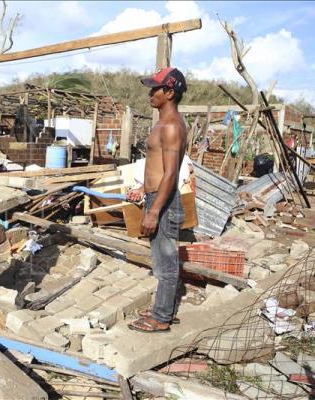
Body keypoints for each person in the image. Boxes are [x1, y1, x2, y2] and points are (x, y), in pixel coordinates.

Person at [127, 67, 188, 333]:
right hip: (155, 196)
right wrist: (144, 187)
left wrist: (153, 212)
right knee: (160, 259)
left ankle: (162, 317)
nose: (151, 94)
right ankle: (163, 308)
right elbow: (159, 167)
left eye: (156, 89)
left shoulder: (173, 126)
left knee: (166, 262)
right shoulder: (163, 123)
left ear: (170, 92)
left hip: (164, 201)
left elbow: (172, 173)